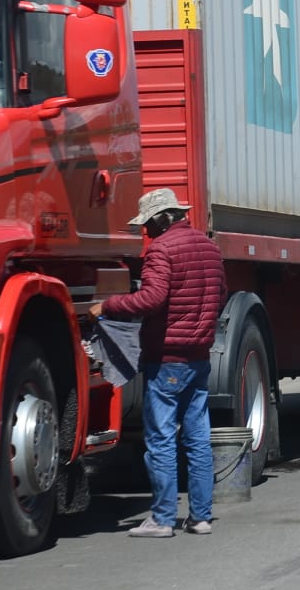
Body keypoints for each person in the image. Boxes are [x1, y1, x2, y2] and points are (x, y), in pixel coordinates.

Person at [89, 188, 226, 538]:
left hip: (166, 359)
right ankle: (201, 517)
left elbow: (152, 299)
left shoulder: (162, 250)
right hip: (198, 357)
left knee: (162, 439)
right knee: (197, 439)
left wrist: (107, 306)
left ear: (161, 219)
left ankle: (163, 519)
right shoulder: (209, 247)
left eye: (148, 226)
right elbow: (220, 295)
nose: (146, 233)